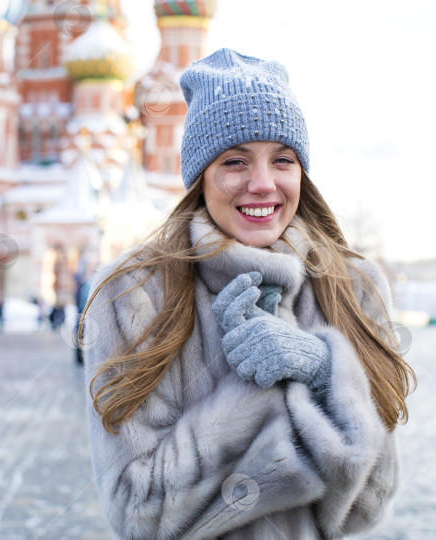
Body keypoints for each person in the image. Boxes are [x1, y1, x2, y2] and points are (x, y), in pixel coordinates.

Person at [81, 49, 415, 538]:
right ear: (201, 176)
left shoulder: (353, 286)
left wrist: (323, 371)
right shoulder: (132, 294)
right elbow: (138, 512)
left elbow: (369, 504)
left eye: (282, 160)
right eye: (235, 162)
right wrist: (255, 394)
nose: (263, 185)